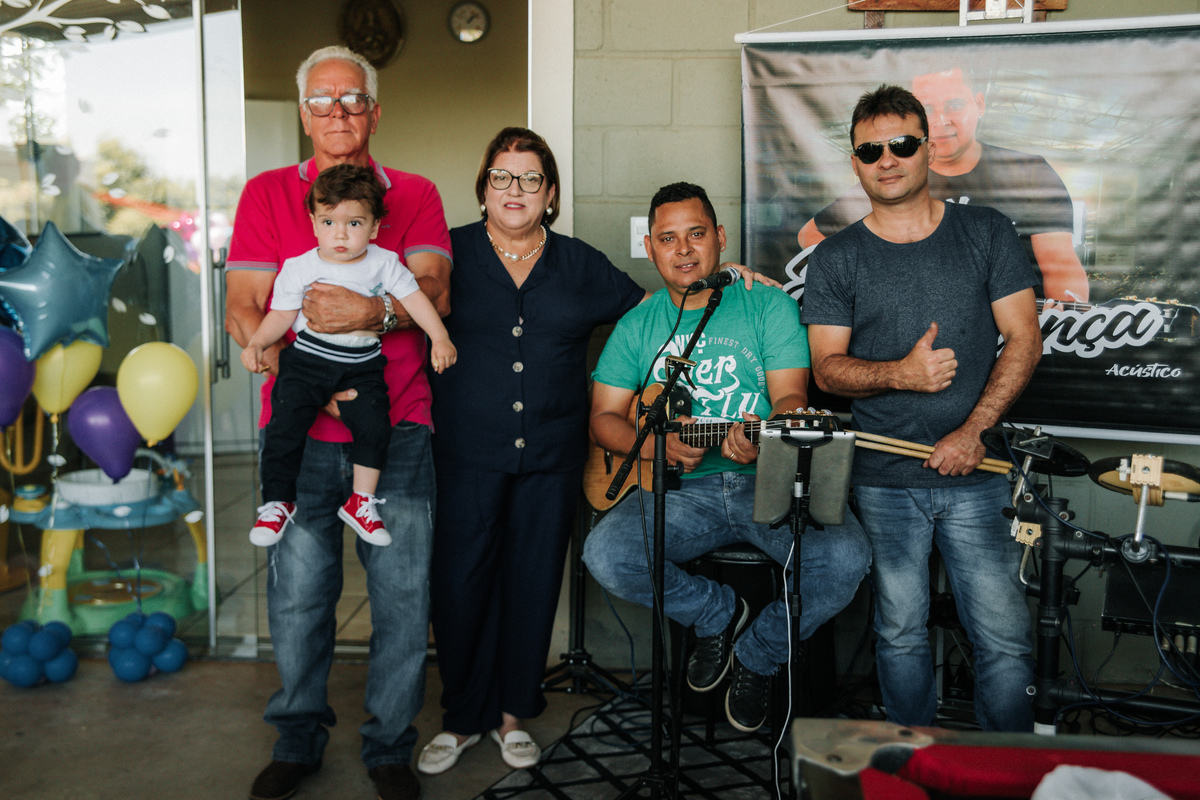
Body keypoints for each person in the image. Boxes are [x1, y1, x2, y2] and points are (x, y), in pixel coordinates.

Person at [225, 45, 450, 800]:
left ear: (375, 112)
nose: (338, 113)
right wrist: (308, 383)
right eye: (322, 100)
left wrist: (373, 313)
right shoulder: (264, 195)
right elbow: (245, 309)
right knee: (297, 597)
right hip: (299, 430)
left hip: (399, 431)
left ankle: (389, 745)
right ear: (302, 112)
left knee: (402, 597)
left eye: (352, 99)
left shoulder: (415, 193)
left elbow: (433, 294)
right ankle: (297, 736)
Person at [581, 182, 872, 733]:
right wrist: (658, 444)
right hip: (680, 490)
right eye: (668, 238)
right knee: (606, 553)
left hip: (766, 483)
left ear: (719, 238)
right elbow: (602, 419)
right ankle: (718, 615)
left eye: (696, 234)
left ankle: (758, 655)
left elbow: (790, 398)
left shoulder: (768, 305)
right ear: (650, 247)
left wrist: (767, 434)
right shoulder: (638, 325)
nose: (684, 249)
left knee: (845, 560)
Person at [802, 85, 1043, 732]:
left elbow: (1025, 337)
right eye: (870, 149)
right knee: (900, 632)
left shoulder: (986, 231)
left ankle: (1005, 775)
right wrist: (902, 375)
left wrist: (973, 430)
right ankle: (914, 768)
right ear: (854, 162)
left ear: (928, 149)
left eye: (902, 144)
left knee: (1004, 637)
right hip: (882, 479)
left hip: (976, 473)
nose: (888, 159)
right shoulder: (837, 257)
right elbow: (826, 371)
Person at [416, 127, 648, 776]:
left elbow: (650, 320)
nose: (513, 190)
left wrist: (722, 286)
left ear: (549, 194)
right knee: (460, 587)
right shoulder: (447, 257)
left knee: (532, 582)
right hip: (464, 455)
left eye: (529, 179)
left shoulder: (580, 265)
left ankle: (514, 712)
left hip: (552, 456)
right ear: (483, 187)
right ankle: (463, 717)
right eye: (501, 177)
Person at [241, 163, 456, 550]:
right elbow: (281, 314)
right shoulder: (300, 267)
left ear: (374, 228)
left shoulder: (384, 263)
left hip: (362, 367)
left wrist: (439, 339)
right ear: (313, 222)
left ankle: (361, 502)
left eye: (354, 223)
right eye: (328, 222)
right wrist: (258, 343)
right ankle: (277, 501)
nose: (340, 234)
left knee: (374, 426)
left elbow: (418, 301)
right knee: (285, 424)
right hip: (307, 363)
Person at [798, 67, 1089, 303]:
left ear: (979, 105)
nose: (941, 119)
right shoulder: (893, 179)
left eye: (955, 105)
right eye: (927, 109)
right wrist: (872, 281)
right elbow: (812, 234)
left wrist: (1063, 317)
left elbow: (1059, 264)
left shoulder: (1026, 173)